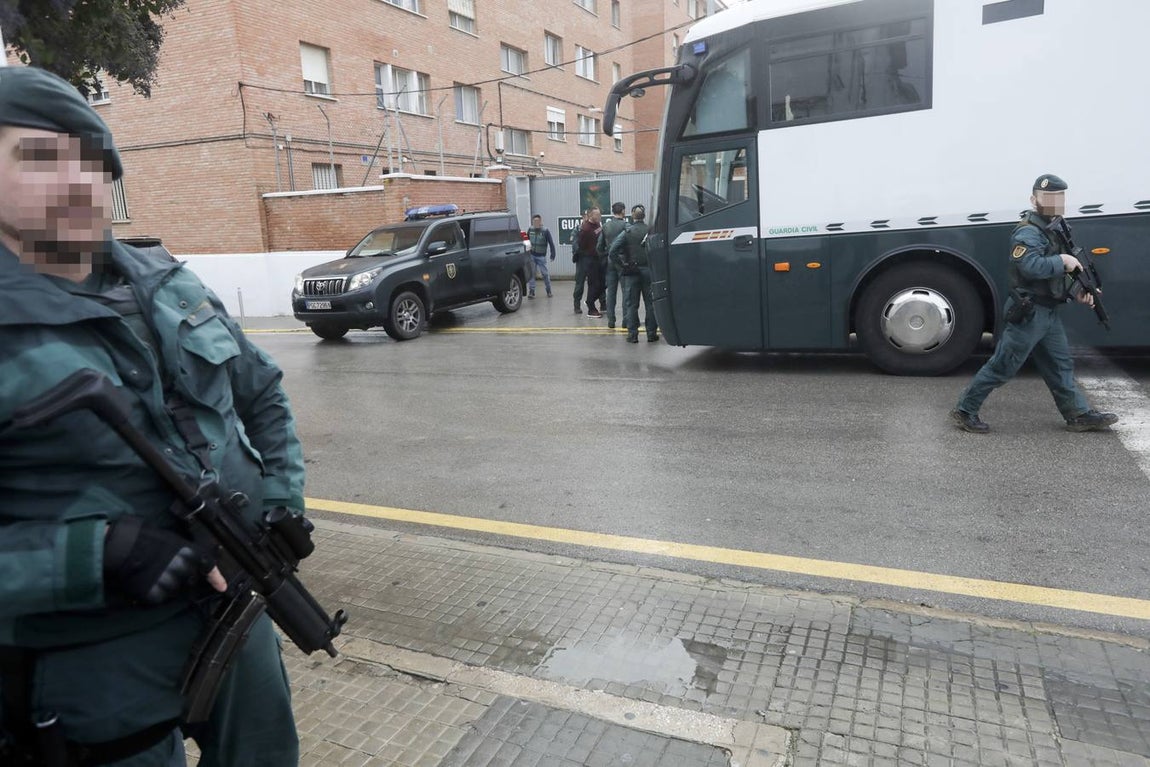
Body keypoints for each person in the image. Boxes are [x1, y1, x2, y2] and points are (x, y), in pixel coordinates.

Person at [0, 67, 306, 766]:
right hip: (99, 663)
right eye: (41, 159)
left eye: (92, 162)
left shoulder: (166, 281)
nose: (75, 180)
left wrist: (284, 505)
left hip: (234, 606)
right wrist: (94, 556)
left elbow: (260, 393)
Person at [950, 174, 1118, 434]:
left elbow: (1059, 275)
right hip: (1030, 313)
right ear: (1034, 199)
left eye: (1058, 197)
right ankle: (965, 410)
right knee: (1003, 366)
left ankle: (1078, 413)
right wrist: (1062, 260)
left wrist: (1078, 292)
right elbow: (1030, 267)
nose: (1053, 202)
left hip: (1048, 312)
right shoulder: (1029, 231)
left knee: (1060, 364)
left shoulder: (1056, 227)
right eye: (1047, 198)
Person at [609, 204, 659, 344]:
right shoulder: (651, 231)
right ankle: (651, 334)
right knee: (650, 304)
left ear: (632, 216)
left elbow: (612, 251)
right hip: (649, 271)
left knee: (631, 304)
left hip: (632, 272)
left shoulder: (628, 232)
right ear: (644, 216)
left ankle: (632, 335)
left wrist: (622, 265)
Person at [597, 202, 628, 327]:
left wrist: (607, 254)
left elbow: (599, 247)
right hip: (623, 261)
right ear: (623, 211)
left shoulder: (606, 226)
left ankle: (611, 320)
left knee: (611, 292)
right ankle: (626, 321)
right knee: (626, 291)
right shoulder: (626, 226)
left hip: (610, 261)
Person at [573, 207, 601, 315]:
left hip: (595, 259)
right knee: (580, 283)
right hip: (584, 259)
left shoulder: (598, 225)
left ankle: (600, 303)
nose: (599, 216)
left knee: (595, 283)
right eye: (597, 215)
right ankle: (577, 305)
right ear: (589, 216)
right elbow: (579, 245)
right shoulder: (583, 229)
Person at [525, 214, 556, 299]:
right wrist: (526, 253)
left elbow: (551, 243)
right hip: (532, 255)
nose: (536, 223)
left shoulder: (545, 231)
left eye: (537, 221)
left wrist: (553, 254)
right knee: (532, 274)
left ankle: (548, 290)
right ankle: (531, 292)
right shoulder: (530, 229)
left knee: (545, 274)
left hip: (541, 257)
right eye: (534, 221)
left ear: (540, 222)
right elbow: (527, 241)